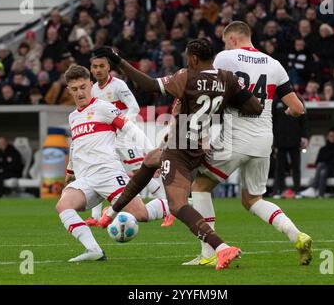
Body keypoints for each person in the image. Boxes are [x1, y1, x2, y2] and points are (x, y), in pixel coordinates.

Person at [96, 38, 264, 270]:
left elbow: (148, 85)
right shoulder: (227, 78)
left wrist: (118, 61)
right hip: (201, 145)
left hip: (180, 148)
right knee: (152, 159)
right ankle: (111, 211)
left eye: (187, 57)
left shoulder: (187, 76)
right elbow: (255, 108)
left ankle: (222, 248)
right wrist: (225, 104)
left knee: (177, 205)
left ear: (193, 58)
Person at [182, 21, 311, 267]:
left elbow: (205, 92)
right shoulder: (274, 64)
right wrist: (287, 114)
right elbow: (297, 108)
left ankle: (209, 253)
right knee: (253, 199)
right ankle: (298, 235)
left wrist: (199, 132)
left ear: (231, 39)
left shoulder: (225, 58)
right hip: (263, 140)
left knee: (200, 187)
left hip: (235, 137)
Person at [56, 65, 172, 262]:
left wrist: (154, 153)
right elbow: (76, 143)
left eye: (83, 87)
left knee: (141, 214)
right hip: (86, 179)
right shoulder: (73, 116)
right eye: (74, 89)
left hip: (109, 174)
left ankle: (176, 204)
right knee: (63, 205)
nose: (80, 92)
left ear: (91, 84)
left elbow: (131, 130)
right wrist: (70, 169)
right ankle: (94, 250)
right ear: (69, 91)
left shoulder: (104, 107)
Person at [86, 50, 171, 227]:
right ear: (91, 70)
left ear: (109, 67)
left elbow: (134, 108)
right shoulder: (92, 90)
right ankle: (95, 217)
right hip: (107, 140)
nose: (99, 70)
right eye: (95, 67)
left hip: (125, 137)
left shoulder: (118, 86)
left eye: (102, 66)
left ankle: (169, 208)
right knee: (102, 171)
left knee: (142, 173)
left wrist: (122, 126)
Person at [272, 94, 309, 198]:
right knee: (280, 168)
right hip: (280, 140)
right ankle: (280, 190)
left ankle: (297, 191)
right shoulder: (276, 100)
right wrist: (272, 137)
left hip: (295, 139)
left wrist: (305, 137)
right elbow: (272, 120)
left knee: (296, 167)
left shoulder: (298, 98)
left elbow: (304, 119)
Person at [301, 128, 334, 198]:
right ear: (327, 137)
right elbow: (317, 162)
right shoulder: (323, 149)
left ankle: (313, 188)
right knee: (323, 171)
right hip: (326, 170)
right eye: (331, 136)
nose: (332, 138)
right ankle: (320, 195)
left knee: (322, 166)